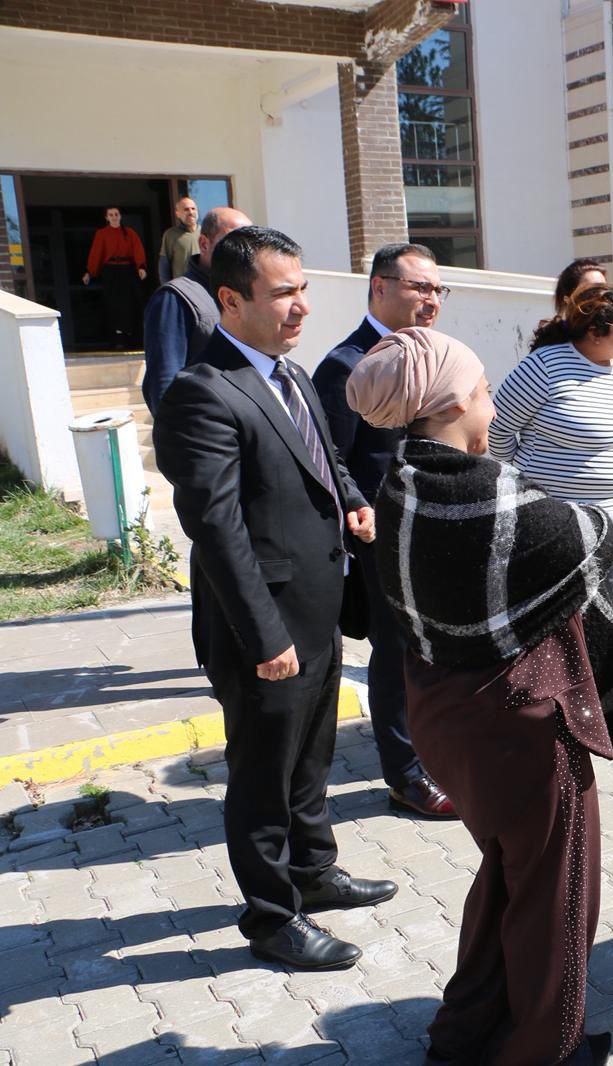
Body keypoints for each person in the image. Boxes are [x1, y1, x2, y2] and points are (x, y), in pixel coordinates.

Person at [347, 326, 613, 1066]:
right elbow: (593, 534)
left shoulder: (402, 481)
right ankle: (544, 1047)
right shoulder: (487, 495)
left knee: (511, 877)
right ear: (452, 403)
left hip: (446, 719)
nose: (491, 404)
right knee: (556, 894)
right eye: (483, 391)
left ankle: (468, 1029)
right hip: (520, 725)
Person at [153, 226, 396, 970]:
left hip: (318, 608)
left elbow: (323, 458)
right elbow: (217, 529)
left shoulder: (290, 375)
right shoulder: (203, 393)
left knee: (311, 756)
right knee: (263, 776)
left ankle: (314, 872)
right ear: (231, 300)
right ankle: (271, 917)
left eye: (303, 289)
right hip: (263, 625)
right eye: (283, 293)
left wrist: (353, 499)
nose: (302, 306)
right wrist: (265, 637)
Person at [311, 242, 456, 821]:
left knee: (431, 653)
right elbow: (329, 455)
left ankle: (435, 753)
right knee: (397, 655)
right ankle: (406, 775)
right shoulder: (346, 364)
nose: (432, 299)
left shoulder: (433, 355)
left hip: (433, 528)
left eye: (438, 289)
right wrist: (358, 505)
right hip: (383, 535)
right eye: (420, 287)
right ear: (379, 286)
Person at [488, 284, 613, 622]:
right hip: (557, 523)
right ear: (593, 331)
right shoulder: (544, 367)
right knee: (559, 623)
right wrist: (523, 479)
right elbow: (497, 428)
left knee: (611, 619)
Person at [141, 206, 252, 414]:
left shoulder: (245, 296)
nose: (244, 252)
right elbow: (165, 389)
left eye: (249, 243)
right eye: (234, 242)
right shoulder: (175, 298)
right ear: (204, 244)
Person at [550, 258, 613, 417]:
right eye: (591, 291)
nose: (601, 298)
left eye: (604, 289)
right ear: (568, 300)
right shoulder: (550, 350)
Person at [82, 207, 147, 349]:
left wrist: (141, 267)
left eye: (116, 214)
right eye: (111, 215)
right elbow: (96, 253)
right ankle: (118, 338)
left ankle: (132, 336)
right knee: (114, 303)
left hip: (127, 269)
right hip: (111, 271)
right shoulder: (102, 234)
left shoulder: (129, 233)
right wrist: (90, 272)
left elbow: (138, 250)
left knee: (130, 302)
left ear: (120, 216)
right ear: (107, 218)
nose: (114, 217)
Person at [158, 197, 200, 283]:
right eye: (186, 209)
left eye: (193, 209)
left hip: (204, 285)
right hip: (182, 286)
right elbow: (164, 265)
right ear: (177, 214)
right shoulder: (170, 235)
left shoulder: (206, 232)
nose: (191, 212)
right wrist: (166, 287)